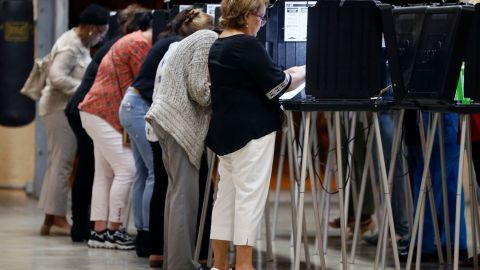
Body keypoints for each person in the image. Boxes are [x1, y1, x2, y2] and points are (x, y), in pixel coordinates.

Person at [205, 0, 306, 269]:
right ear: (248, 15)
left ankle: (220, 264)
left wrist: (283, 75)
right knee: (249, 198)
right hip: (252, 131)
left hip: (225, 132)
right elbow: (276, 86)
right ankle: (245, 265)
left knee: (225, 199)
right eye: (261, 17)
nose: (262, 23)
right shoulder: (246, 44)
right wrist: (303, 73)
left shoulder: (219, 43)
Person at [64, 3, 147, 243]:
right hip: (99, 109)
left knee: (102, 171)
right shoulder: (132, 45)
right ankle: (110, 229)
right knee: (124, 169)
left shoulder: (117, 42)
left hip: (88, 108)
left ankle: (96, 230)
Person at [144, 9, 216, 269]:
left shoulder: (175, 46)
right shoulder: (207, 38)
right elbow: (199, 90)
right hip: (180, 126)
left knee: (175, 196)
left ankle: (175, 260)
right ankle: (181, 264)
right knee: (185, 198)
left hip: (165, 123)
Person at [38, 4, 109, 236]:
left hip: (58, 107)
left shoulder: (79, 43)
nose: (102, 37)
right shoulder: (70, 46)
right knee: (63, 163)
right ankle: (58, 217)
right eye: (100, 31)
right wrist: (84, 90)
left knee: (57, 162)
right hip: (58, 108)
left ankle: (50, 217)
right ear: (90, 28)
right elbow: (56, 76)